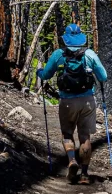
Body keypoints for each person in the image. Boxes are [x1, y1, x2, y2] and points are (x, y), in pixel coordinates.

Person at [37, 23, 107, 185]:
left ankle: (71, 160)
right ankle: (84, 174)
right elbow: (103, 76)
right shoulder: (89, 54)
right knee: (85, 137)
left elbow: (46, 75)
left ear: (66, 38)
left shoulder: (58, 54)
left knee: (67, 134)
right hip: (87, 101)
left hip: (67, 101)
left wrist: (39, 72)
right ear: (80, 38)